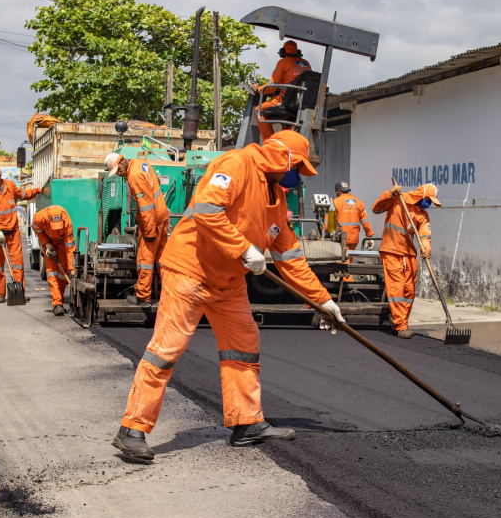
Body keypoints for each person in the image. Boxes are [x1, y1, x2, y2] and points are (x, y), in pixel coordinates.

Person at [111, 130, 346, 460]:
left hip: (228, 283)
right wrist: (244, 248)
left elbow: (290, 257)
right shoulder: (237, 164)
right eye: (298, 169)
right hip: (189, 271)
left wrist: (322, 301)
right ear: (283, 159)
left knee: (244, 346)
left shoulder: (276, 197)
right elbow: (208, 210)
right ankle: (132, 429)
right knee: (166, 350)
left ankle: (247, 423)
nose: (296, 178)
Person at [372, 183, 441, 339]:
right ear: (420, 195)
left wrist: (426, 249)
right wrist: (390, 193)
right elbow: (376, 208)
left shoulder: (422, 215)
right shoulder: (398, 199)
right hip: (391, 251)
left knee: (409, 292)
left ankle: (402, 320)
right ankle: (401, 326)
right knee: (396, 289)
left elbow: (425, 236)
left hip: (409, 254)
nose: (429, 204)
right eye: (428, 200)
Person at [105, 152, 169, 308]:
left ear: (122, 162)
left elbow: (146, 206)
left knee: (144, 260)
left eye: (118, 170)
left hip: (152, 220)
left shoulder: (133, 176)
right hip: (162, 215)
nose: (119, 174)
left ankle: (143, 297)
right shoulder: (139, 163)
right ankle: (170, 294)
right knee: (163, 260)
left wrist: (148, 231)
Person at [0, 165, 41, 303]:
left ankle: (20, 291)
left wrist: (38, 191)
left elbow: (23, 194)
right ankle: (0, 294)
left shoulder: (10, 186)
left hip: (13, 231)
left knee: (18, 263)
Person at [250, 40, 311, 142]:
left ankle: (271, 142)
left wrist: (258, 88)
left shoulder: (283, 62)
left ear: (283, 52)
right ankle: (288, 137)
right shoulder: (306, 63)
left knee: (259, 109)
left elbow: (272, 86)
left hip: (287, 100)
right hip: (304, 102)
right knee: (291, 118)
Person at [31, 205, 75, 316]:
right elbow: (35, 227)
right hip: (49, 242)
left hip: (62, 244)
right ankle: (57, 304)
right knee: (51, 273)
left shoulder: (66, 221)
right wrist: (46, 243)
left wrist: (72, 270)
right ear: (48, 219)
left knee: (62, 273)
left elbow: (70, 248)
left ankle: (60, 298)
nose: (57, 227)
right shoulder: (40, 218)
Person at [332, 181, 374, 251]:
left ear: (338, 191)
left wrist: (322, 232)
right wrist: (369, 236)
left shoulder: (335, 202)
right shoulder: (359, 203)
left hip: (341, 237)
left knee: (343, 259)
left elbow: (329, 220)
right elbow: (365, 221)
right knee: (350, 257)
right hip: (354, 238)